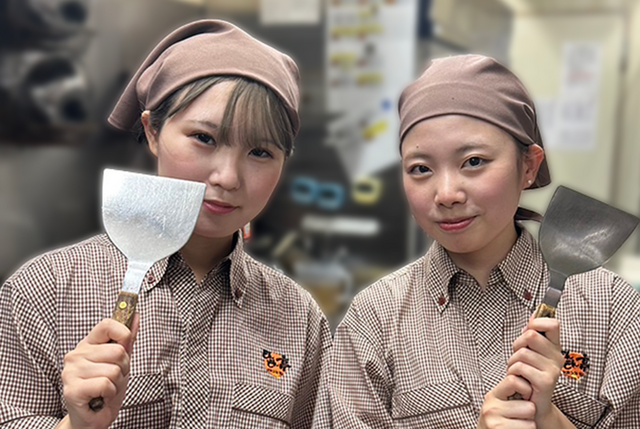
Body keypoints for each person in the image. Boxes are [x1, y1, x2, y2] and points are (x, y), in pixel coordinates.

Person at [0, 20, 332, 428]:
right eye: (204, 138)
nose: (228, 177)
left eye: (260, 152)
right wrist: (76, 425)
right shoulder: (45, 289)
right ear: (152, 131)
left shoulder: (299, 319)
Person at [328, 54, 640, 428]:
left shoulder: (613, 309)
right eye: (421, 169)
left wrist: (551, 420)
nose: (447, 194)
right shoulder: (374, 320)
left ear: (529, 166)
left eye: (474, 161)